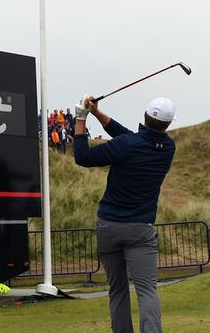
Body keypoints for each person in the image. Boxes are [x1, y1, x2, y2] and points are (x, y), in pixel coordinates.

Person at [73, 95, 177, 333]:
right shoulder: (168, 148)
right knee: (147, 291)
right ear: (168, 124)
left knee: (118, 290)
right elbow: (129, 137)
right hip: (140, 230)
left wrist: (81, 118)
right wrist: (97, 113)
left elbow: (82, 157)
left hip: (108, 227)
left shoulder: (128, 144)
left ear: (145, 115)